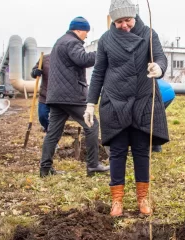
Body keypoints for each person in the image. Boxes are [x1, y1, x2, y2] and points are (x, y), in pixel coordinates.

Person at [84, 0, 168, 217]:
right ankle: (117, 201)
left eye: (127, 20)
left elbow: (160, 57)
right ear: (112, 20)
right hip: (115, 102)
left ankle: (143, 199)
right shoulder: (105, 40)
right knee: (117, 153)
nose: (124, 25)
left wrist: (158, 68)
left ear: (135, 16)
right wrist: (90, 103)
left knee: (141, 152)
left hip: (142, 100)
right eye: (119, 21)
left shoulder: (149, 34)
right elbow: (99, 72)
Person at [40, 16, 108, 177]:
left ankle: (45, 169)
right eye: (86, 32)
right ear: (79, 30)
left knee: (53, 132)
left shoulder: (60, 42)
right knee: (92, 125)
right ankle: (92, 165)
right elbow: (82, 59)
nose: (86, 36)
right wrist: (102, 53)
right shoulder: (72, 42)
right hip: (71, 95)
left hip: (56, 96)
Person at [31, 54, 50, 132]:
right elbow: (33, 72)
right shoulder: (44, 58)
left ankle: (52, 134)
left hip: (58, 95)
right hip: (45, 95)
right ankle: (48, 129)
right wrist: (35, 72)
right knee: (42, 116)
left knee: (57, 119)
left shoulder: (65, 57)